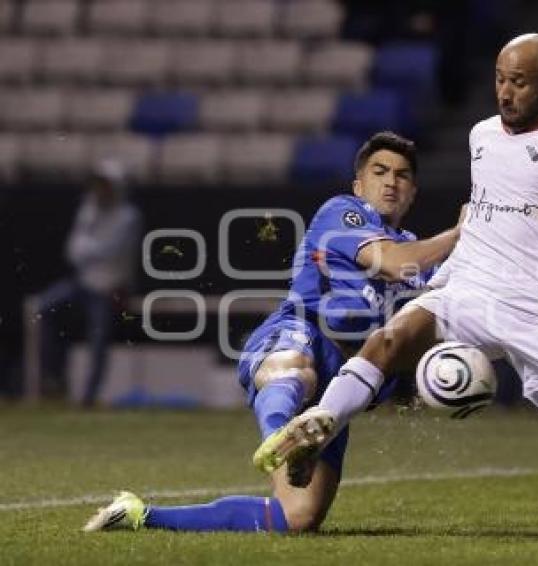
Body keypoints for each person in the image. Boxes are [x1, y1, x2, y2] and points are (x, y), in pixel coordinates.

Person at [266, 33, 538, 512]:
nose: (506, 93)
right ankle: (321, 424)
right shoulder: (482, 135)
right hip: (469, 290)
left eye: (521, 83)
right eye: (500, 80)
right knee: (388, 341)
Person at [83, 132, 464, 534]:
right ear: (359, 184)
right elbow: (391, 263)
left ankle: (140, 514)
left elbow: (442, 298)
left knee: (296, 519)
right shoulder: (343, 212)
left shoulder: (421, 254)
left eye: (402, 176)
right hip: (300, 331)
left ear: (413, 192)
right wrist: (457, 234)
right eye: (380, 171)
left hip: (341, 384)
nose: (391, 182)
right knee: (294, 370)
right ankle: (283, 436)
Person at [38, 160, 142, 406]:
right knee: (44, 309)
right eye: (98, 185)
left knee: (98, 341)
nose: (100, 191)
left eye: (105, 185)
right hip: (82, 283)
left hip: (109, 290)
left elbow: (109, 250)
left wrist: (87, 248)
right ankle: (54, 378)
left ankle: (88, 397)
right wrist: (87, 249)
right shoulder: (88, 208)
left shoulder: (128, 216)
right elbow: (72, 250)